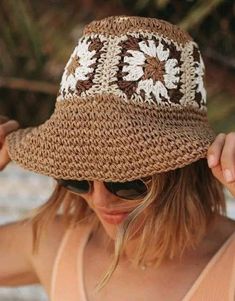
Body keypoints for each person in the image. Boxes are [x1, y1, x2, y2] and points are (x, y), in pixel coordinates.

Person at [0, 15, 235, 301]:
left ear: (181, 167)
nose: (100, 200)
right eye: (76, 177)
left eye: (125, 181)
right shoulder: (55, 242)